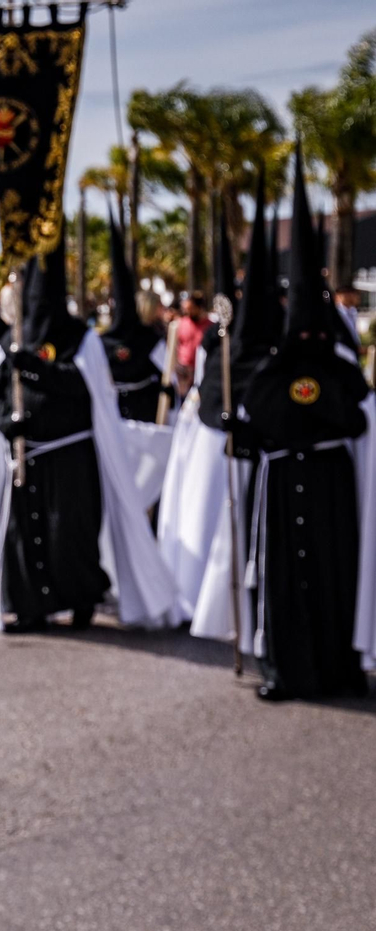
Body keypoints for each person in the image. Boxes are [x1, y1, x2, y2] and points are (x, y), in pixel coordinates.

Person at [0, 241, 177, 634]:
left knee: (68, 535)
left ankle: (81, 602)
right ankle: (31, 608)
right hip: (27, 454)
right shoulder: (15, 337)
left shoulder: (80, 338)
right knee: (27, 534)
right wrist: (9, 422)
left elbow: (88, 388)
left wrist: (38, 368)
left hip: (71, 455)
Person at [237, 149, 370, 700]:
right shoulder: (267, 372)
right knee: (282, 578)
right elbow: (253, 426)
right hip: (281, 487)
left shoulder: (341, 371)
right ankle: (283, 668)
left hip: (330, 487)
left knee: (335, 573)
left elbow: (359, 420)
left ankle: (339, 667)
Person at [159, 172, 276, 640]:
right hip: (211, 438)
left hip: (260, 454)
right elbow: (206, 377)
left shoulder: (273, 343)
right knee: (206, 518)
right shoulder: (214, 338)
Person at [99, 212, 169, 423]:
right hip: (115, 411)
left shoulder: (150, 336)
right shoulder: (102, 340)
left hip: (144, 409)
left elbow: (168, 371)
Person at [174, 291, 208, 398]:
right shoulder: (180, 324)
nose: (187, 312)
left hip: (202, 372)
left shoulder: (210, 325)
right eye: (185, 309)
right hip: (183, 374)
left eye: (190, 309)